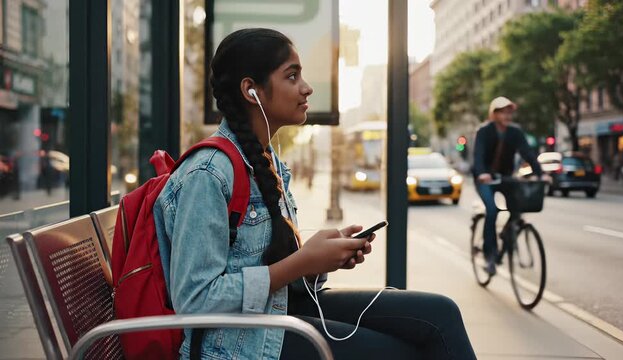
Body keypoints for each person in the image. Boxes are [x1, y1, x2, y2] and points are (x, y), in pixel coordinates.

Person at [154, 28, 476, 359]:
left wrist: (319, 260)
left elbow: (273, 272)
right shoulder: (207, 173)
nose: (306, 88)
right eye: (291, 76)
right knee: (406, 353)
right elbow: (195, 299)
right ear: (252, 91)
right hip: (238, 343)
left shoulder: (266, 162)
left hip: (278, 313)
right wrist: (302, 262)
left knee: (440, 314)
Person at [472, 96, 545, 276]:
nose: (507, 115)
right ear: (494, 114)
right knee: (492, 209)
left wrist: (541, 173)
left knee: (517, 208)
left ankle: (506, 234)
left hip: (505, 178)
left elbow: (527, 152)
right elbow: (478, 155)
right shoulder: (484, 131)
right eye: (502, 112)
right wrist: (482, 173)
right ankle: (489, 254)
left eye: (509, 112)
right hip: (485, 179)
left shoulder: (515, 132)